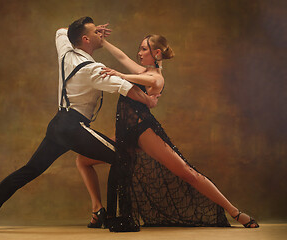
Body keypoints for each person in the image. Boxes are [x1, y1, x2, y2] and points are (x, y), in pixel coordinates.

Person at [0, 16, 159, 231]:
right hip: (74, 127)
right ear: (85, 39)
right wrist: (149, 100)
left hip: (57, 125)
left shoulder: (65, 52)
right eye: (94, 33)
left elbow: (61, 31)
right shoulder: (92, 69)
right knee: (123, 156)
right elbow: (126, 88)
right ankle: (117, 219)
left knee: (30, 170)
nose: (99, 35)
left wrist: (87, 29)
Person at [76, 32, 259, 231]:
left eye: (144, 49)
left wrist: (120, 75)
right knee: (83, 160)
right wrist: (103, 42)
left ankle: (234, 212)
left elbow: (149, 82)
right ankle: (98, 209)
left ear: (157, 53)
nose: (139, 53)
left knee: (188, 173)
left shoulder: (156, 77)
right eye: (140, 49)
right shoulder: (143, 71)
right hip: (124, 134)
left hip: (142, 131)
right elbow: (121, 57)